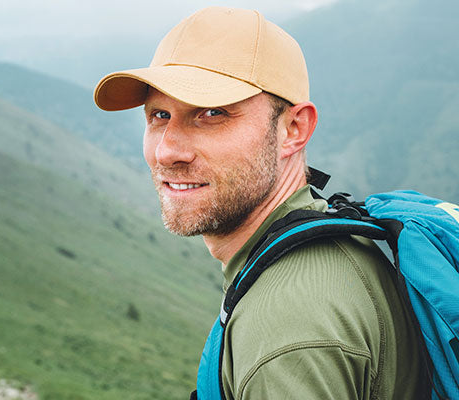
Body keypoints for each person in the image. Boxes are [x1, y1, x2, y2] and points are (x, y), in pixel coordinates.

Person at [94, 6, 428, 399]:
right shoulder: (331, 250)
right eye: (159, 115)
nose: (167, 151)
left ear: (293, 129)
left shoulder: (289, 331)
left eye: (211, 113)